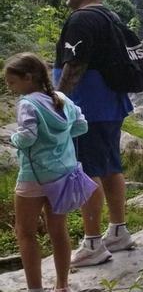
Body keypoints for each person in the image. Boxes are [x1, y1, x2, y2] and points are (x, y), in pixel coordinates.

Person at [53, 0, 134, 267]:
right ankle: (119, 231)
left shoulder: (82, 19)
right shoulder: (111, 17)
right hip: (110, 102)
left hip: (87, 107)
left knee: (87, 171)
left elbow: (74, 64)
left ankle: (93, 243)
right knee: (110, 166)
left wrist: (57, 101)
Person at [6, 53, 88, 292]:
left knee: (26, 233)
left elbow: (28, 137)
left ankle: (35, 289)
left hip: (34, 178)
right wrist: (58, 141)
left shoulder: (27, 103)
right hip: (63, 175)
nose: (10, 88)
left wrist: (14, 138)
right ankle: (62, 286)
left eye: (12, 82)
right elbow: (81, 125)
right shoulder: (61, 98)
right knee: (59, 231)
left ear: (28, 78)